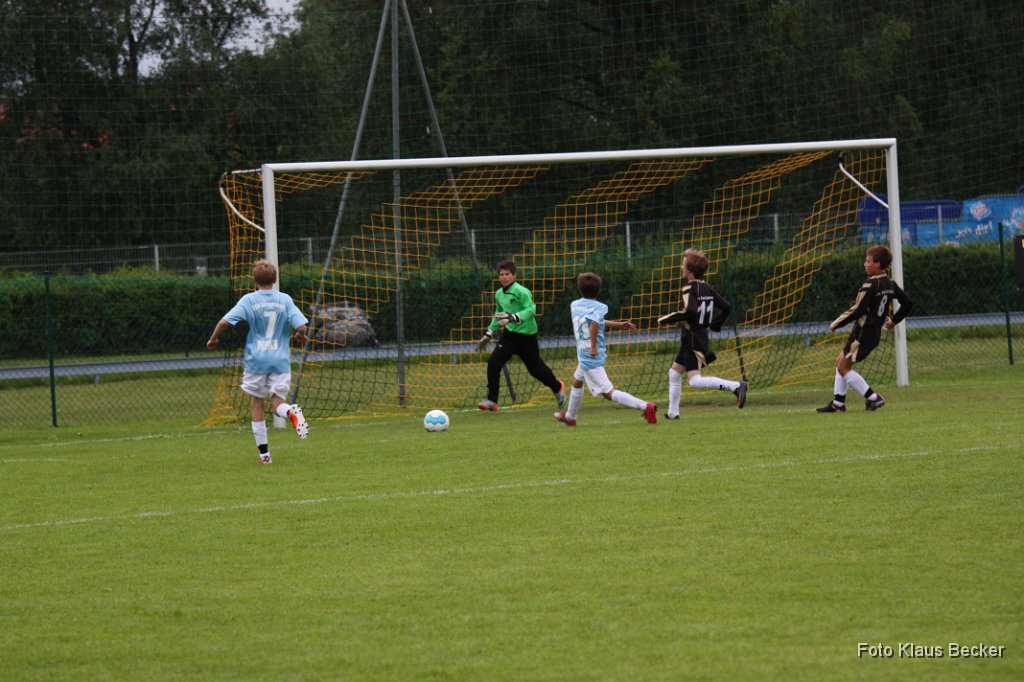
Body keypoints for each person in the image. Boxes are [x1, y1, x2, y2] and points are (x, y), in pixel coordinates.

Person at [207, 259, 310, 464]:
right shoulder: (285, 299)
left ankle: (264, 455)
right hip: (280, 360)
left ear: (254, 279)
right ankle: (291, 412)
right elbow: (302, 327)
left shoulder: (249, 300)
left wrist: (213, 339)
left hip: (256, 360)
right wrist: (300, 336)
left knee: (257, 404)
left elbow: (224, 322)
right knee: (277, 404)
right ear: (275, 279)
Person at [817, 244, 912, 413]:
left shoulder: (870, 284)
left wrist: (836, 323)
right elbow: (908, 303)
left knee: (843, 367)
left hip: (861, 334)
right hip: (872, 334)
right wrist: (893, 321)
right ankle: (838, 403)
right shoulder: (890, 284)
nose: (865, 264)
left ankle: (873, 398)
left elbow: (858, 310)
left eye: (868, 261)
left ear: (878, 264)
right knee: (841, 362)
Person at [553, 271, 657, 426]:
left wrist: (593, 346)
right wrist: (619, 325)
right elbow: (595, 321)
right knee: (576, 382)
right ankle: (570, 417)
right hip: (588, 353)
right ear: (599, 289)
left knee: (608, 393)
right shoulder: (600, 307)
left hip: (589, 355)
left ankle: (646, 407)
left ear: (579, 289)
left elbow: (594, 323)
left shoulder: (574, 305)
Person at [659, 248, 748, 419]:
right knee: (674, 373)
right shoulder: (707, 288)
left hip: (692, 339)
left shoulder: (689, 288)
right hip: (697, 337)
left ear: (690, 270)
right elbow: (726, 307)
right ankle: (673, 413)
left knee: (695, 381)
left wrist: (666, 319)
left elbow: (690, 311)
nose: (681, 267)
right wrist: (716, 324)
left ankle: (736, 387)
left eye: (683, 265)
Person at [476, 260, 565, 412]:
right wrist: (489, 333)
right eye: (501, 274)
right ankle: (492, 400)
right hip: (509, 335)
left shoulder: (522, 291)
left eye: (507, 274)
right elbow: (499, 315)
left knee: (536, 370)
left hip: (527, 336)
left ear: (514, 275)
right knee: (494, 362)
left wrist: (514, 317)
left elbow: (531, 310)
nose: (504, 277)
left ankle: (557, 388)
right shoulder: (499, 294)